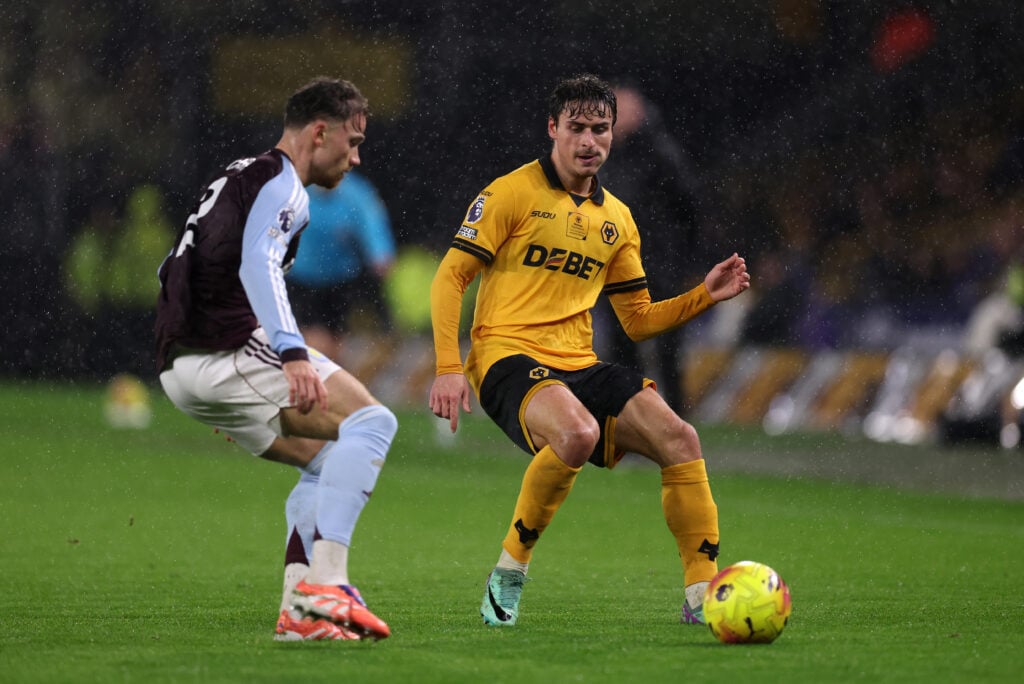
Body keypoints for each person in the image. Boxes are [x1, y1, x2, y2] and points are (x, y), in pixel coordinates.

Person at [428, 74, 751, 628]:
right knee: (577, 433)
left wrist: (704, 296)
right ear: (552, 129)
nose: (589, 141)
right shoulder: (509, 193)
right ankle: (509, 572)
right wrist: (448, 367)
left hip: (578, 363)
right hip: (505, 357)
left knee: (681, 439)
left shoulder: (617, 220)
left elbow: (638, 319)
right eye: (576, 128)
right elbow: (450, 279)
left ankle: (701, 596)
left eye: (600, 129)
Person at [155, 77, 397, 642]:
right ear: (319, 132)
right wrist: (290, 355)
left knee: (326, 456)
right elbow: (258, 264)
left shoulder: (237, 174)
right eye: (353, 140)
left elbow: (172, 270)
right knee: (373, 423)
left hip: (183, 362)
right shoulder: (285, 185)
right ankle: (328, 584)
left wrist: (206, 382)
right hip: (224, 349)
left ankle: (298, 613)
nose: (356, 157)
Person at [596, 81, 704, 414]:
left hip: (658, 264)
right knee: (621, 347)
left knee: (667, 346)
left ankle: (675, 420)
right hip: (618, 267)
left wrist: (678, 253)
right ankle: (630, 421)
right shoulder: (603, 155)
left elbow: (688, 204)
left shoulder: (659, 151)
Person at [287, 170, 397, 365]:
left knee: (336, 341)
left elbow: (372, 223)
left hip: (340, 279)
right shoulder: (296, 189)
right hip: (303, 277)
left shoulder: (356, 193)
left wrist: (381, 254)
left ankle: (327, 384)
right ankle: (316, 381)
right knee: (315, 338)